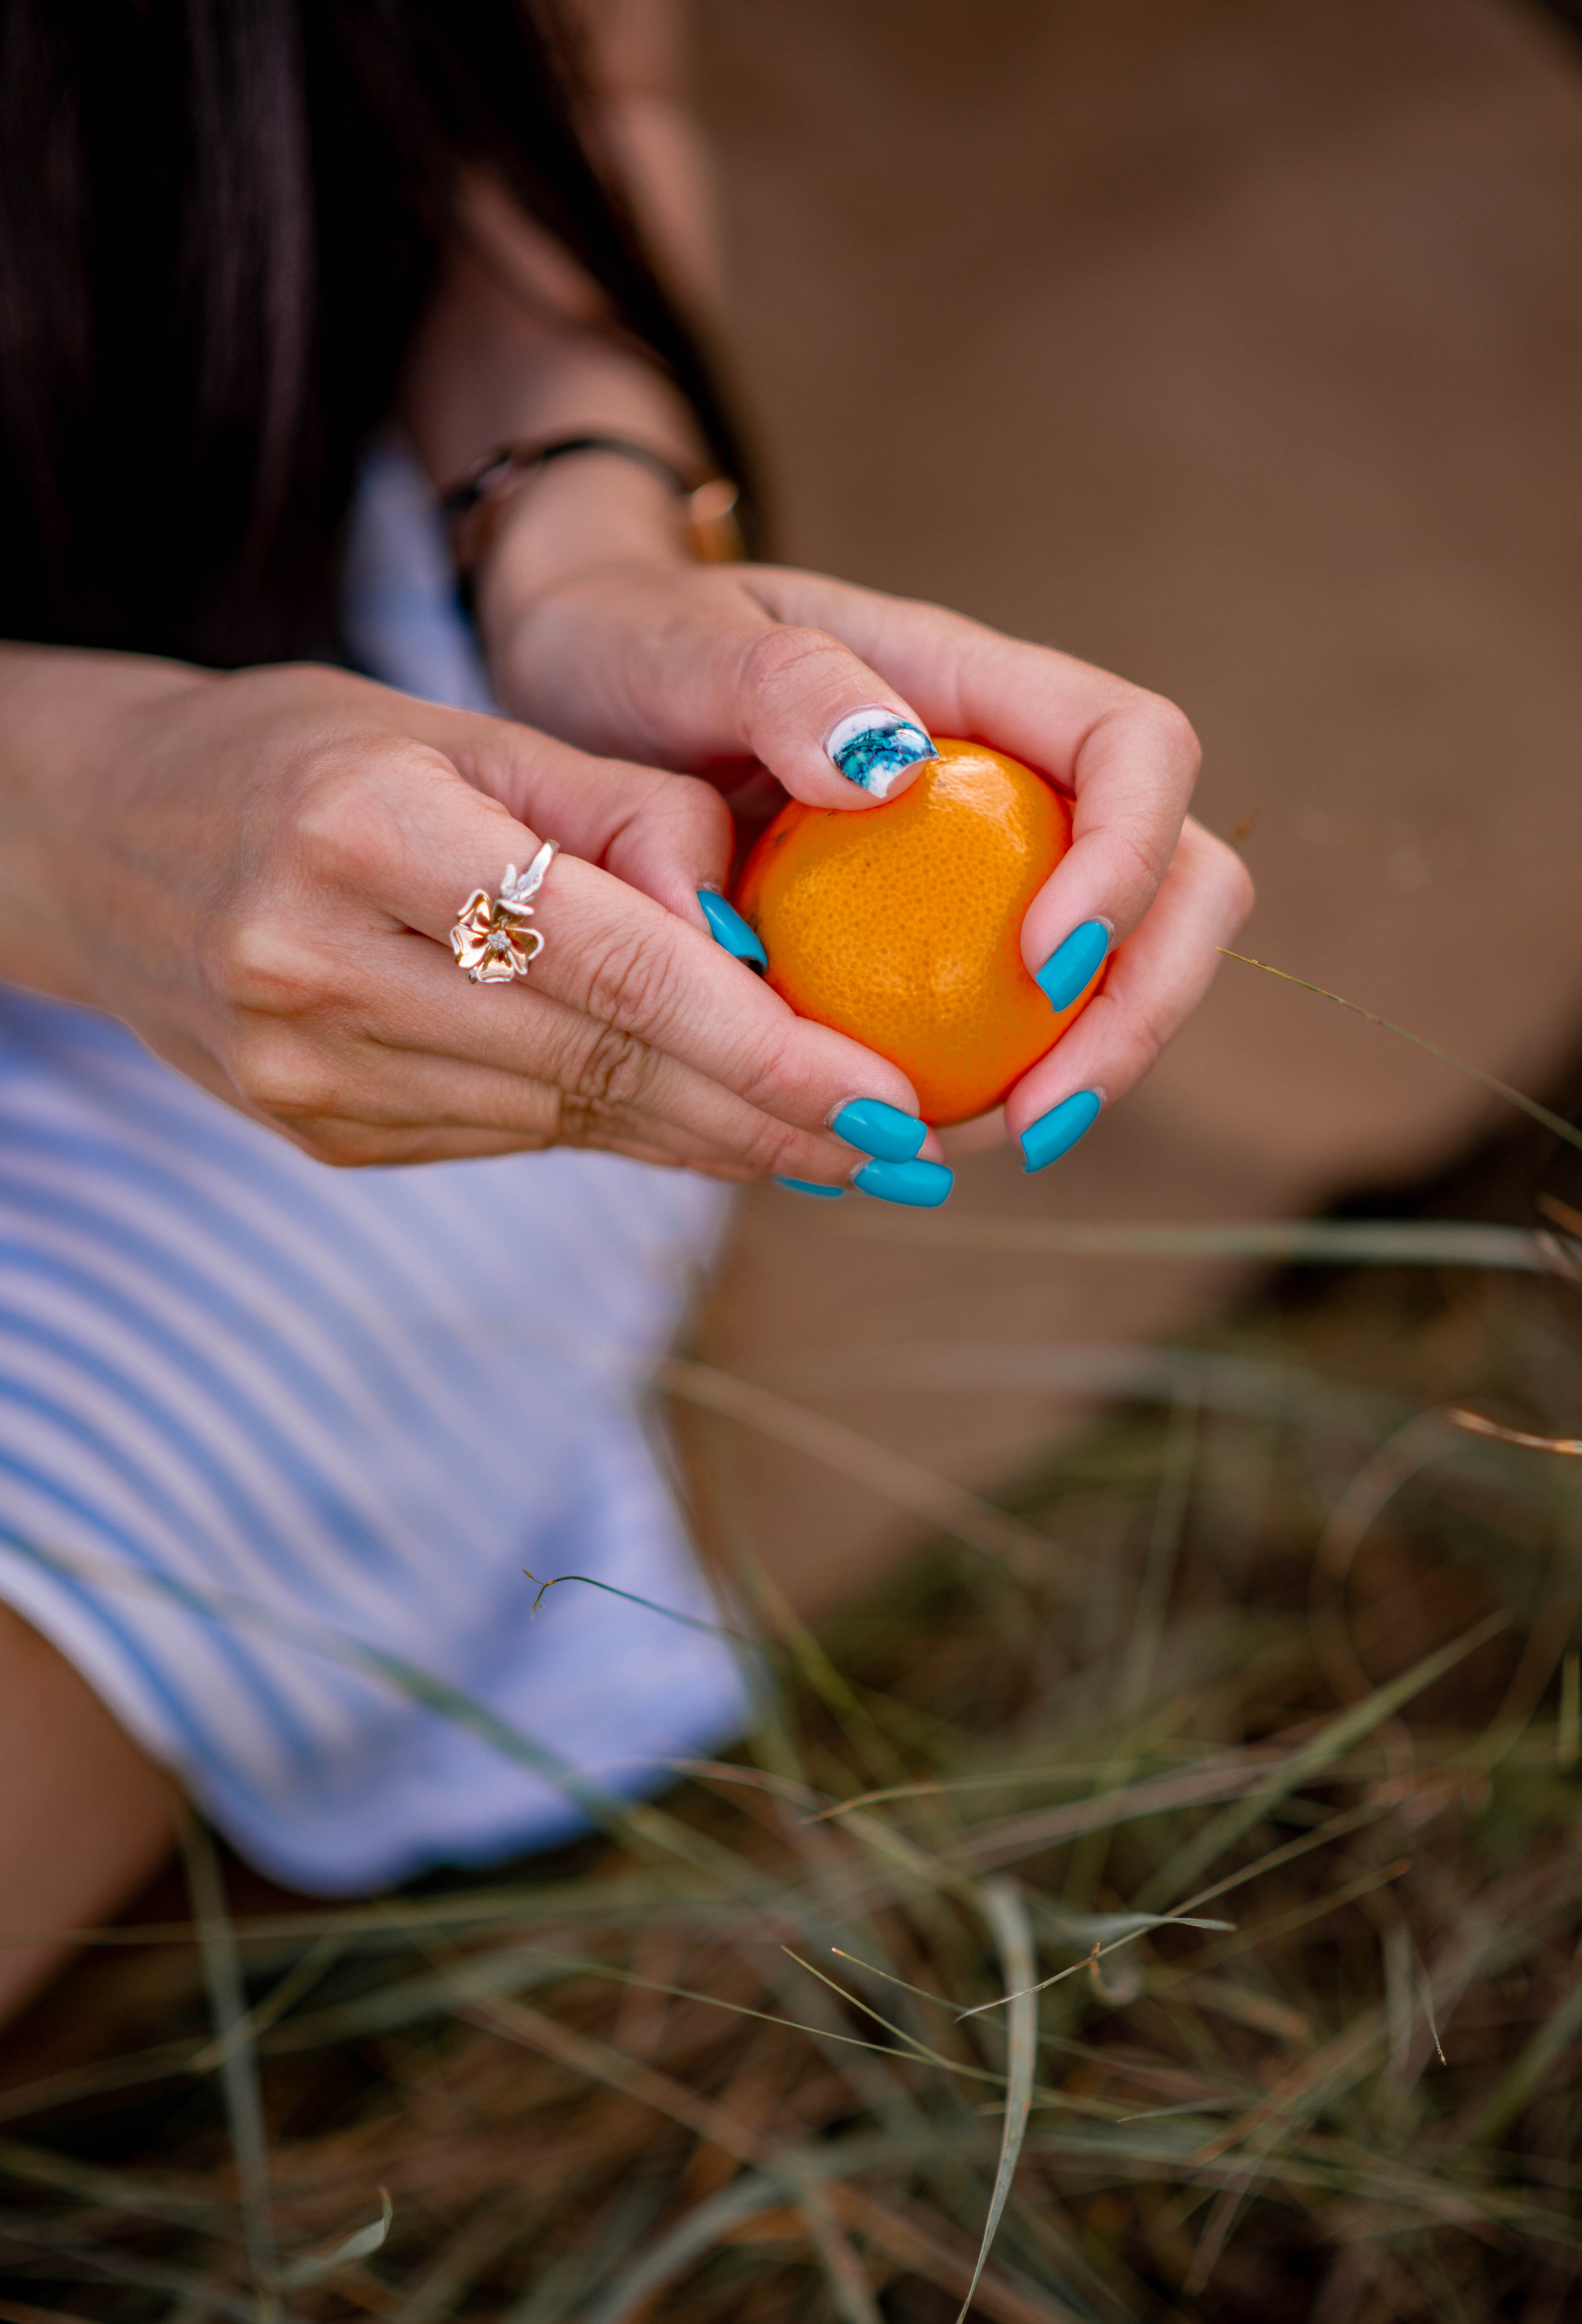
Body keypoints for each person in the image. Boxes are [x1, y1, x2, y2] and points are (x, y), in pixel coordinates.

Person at [0, 0, 1249, 2021]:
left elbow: (562, 79)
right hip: (131, 773)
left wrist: (577, 541)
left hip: (294, 663)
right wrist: (70, 818)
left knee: (432, 1200)